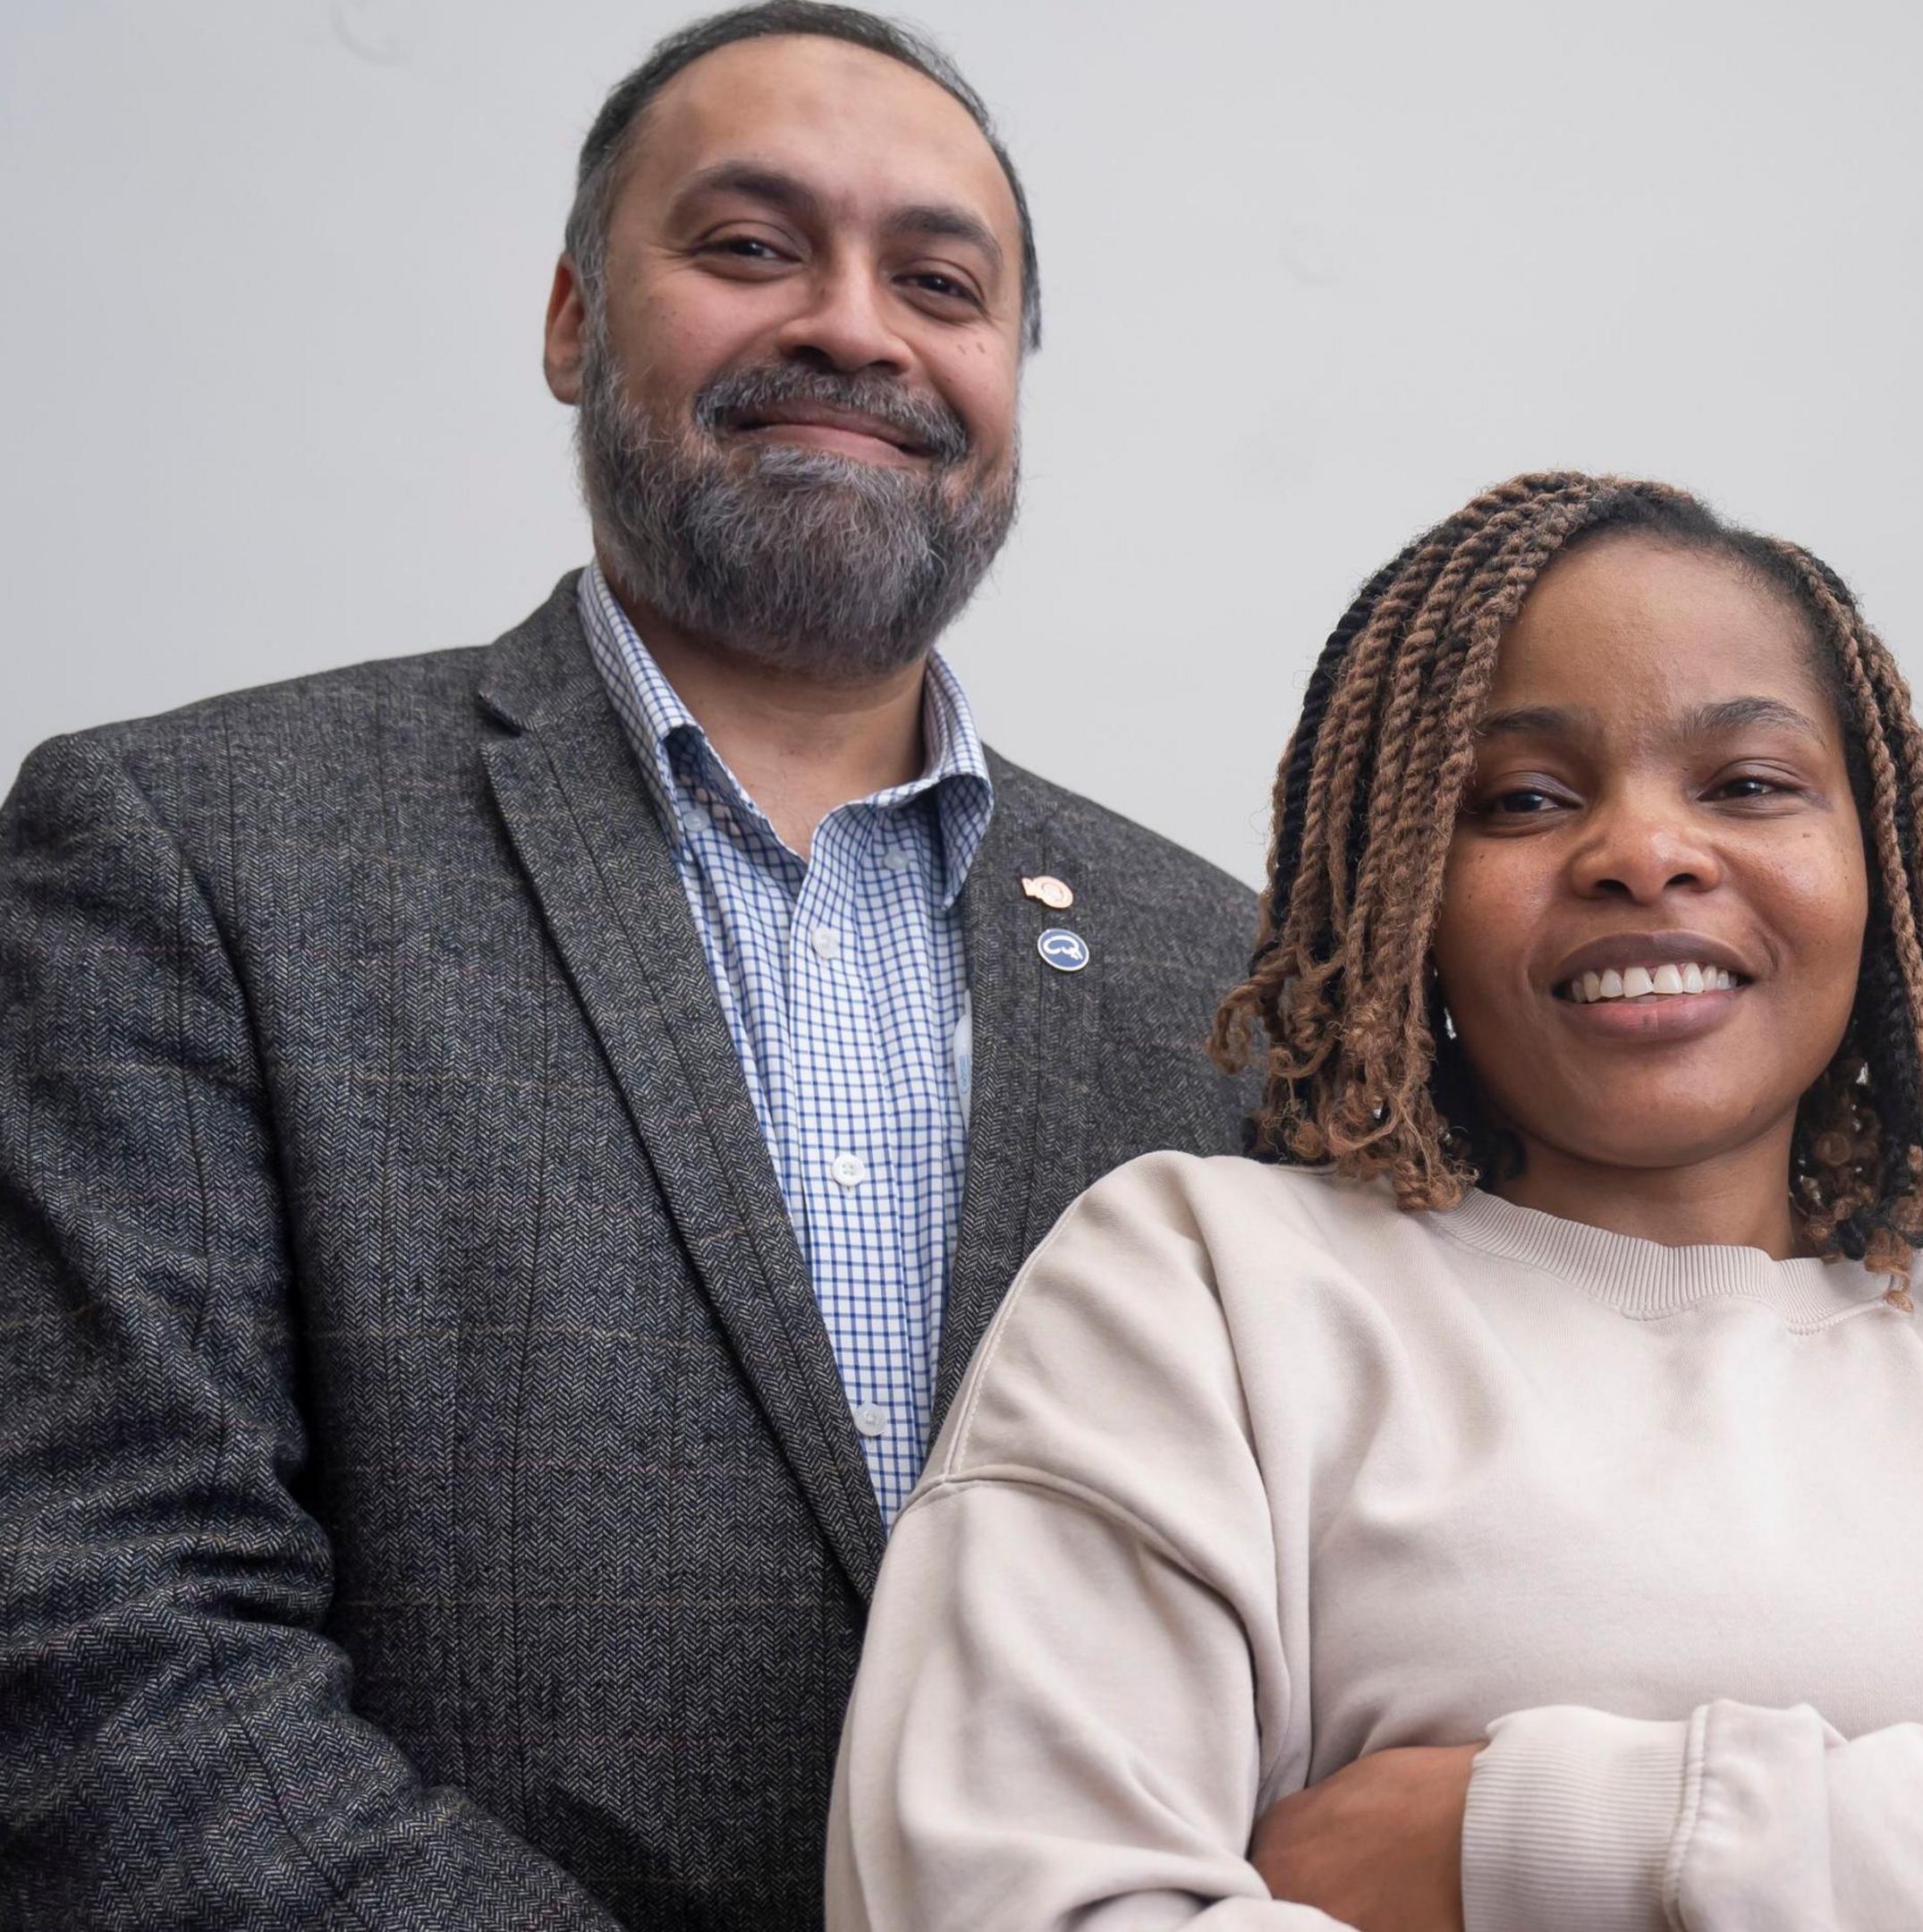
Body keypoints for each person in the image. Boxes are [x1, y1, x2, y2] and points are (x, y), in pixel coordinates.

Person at [825, 470, 1923, 1929]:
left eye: (1750, 784)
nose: (1643, 851)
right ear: (1397, 881)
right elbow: (1012, 1893)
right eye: (1525, 799)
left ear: (1884, 872)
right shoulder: (1196, 1290)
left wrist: (1541, 1838)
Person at [0, 8, 1255, 1926]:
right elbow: (99, 1628)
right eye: (751, 248)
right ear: (576, 319)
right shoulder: (189, 851)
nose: (857, 327)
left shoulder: (1227, 977)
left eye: (941, 282)